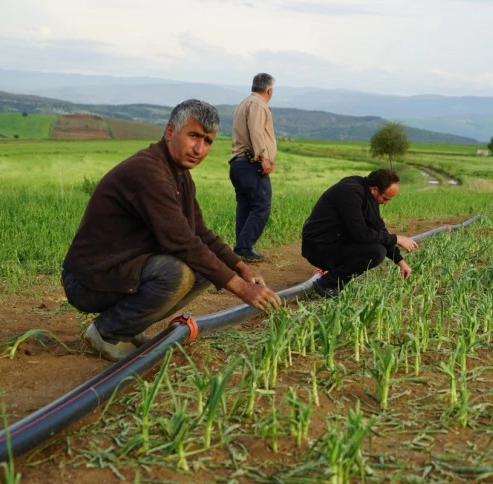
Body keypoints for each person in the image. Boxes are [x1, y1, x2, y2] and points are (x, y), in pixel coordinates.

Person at [62, 99, 281, 361]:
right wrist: (242, 290)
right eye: (194, 136)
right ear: (169, 133)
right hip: (88, 278)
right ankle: (106, 332)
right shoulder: (149, 172)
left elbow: (199, 233)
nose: (199, 149)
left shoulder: (179, 175)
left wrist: (240, 267)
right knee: (175, 274)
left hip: (121, 267)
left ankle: (127, 329)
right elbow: (182, 242)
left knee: (204, 268)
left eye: (208, 141)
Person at [301, 169, 418, 298]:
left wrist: (400, 261)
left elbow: (379, 229)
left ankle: (332, 281)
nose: (385, 203)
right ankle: (327, 284)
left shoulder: (368, 194)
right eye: (385, 198)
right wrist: (397, 239)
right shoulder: (350, 192)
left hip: (335, 241)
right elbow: (362, 234)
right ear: (375, 189)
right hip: (319, 247)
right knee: (376, 252)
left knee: (378, 246)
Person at [229, 72, 277, 263]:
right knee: (261, 206)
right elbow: (256, 131)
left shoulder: (244, 102)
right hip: (251, 163)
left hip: (238, 163)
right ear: (269, 90)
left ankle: (241, 248)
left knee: (246, 206)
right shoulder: (258, 104)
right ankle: (243, 247)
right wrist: (263, 157)